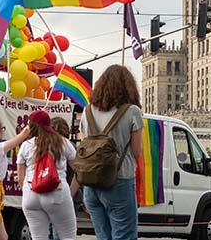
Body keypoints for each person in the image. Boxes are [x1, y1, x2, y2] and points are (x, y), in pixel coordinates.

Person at [79, 65, 144, 240]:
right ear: (128, 87)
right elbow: (137, 151)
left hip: (90, 184)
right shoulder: (132, 112)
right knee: (124, 235)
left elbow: (84, 142)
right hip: (119, 180)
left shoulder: (87, 111)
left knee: (103, 236)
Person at [17, 110, 78, 240]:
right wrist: (71, 192)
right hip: (57, 193)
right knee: (68, 236)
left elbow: (20, 176)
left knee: (38, 237)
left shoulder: (26, 145)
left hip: (31, 194)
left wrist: (27, 190)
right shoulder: (62, 142)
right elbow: (79, 170)